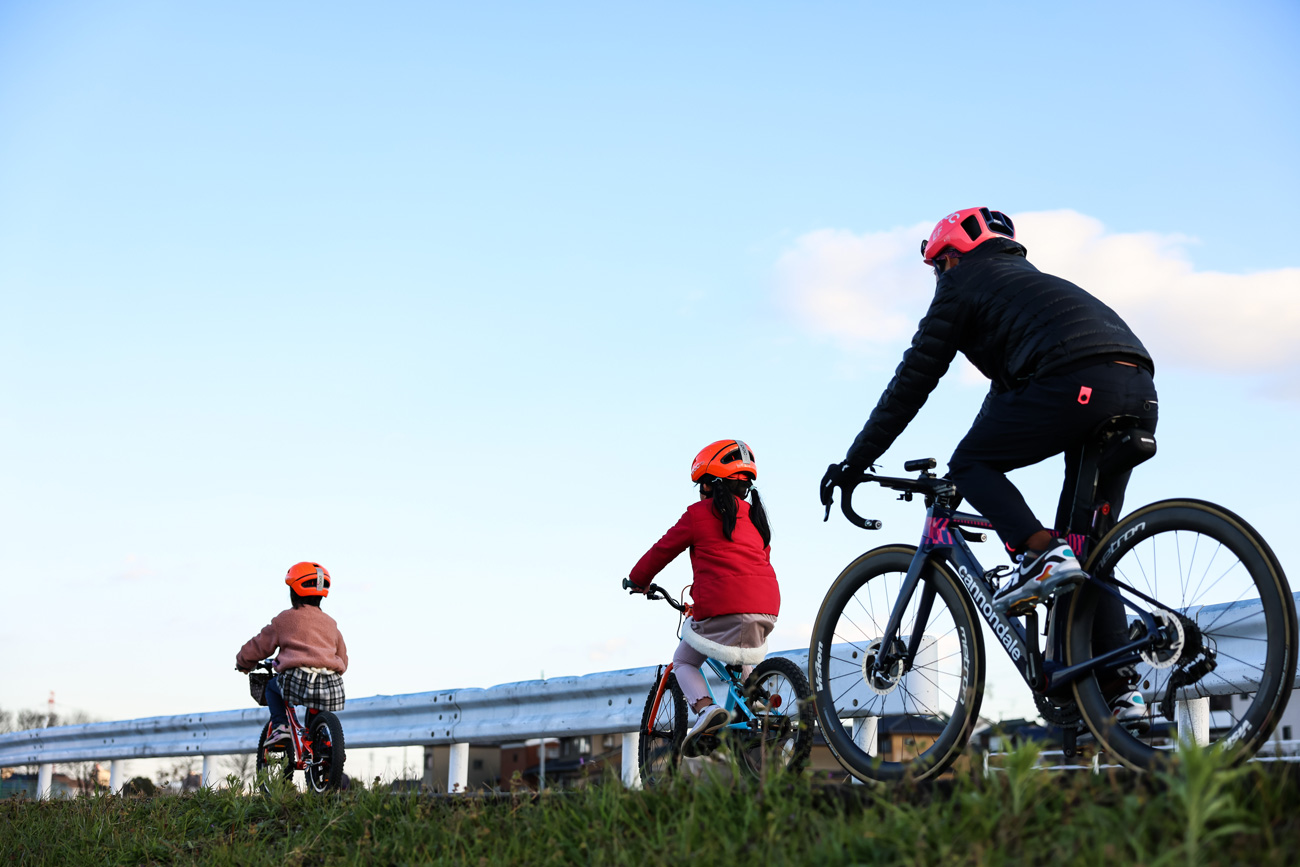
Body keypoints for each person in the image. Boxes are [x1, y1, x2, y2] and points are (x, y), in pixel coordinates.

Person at [821, 207, 1157, 717]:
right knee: (1088, 544)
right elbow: (1003, 398)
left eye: (938, 267)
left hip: (1075, 380)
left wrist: (855, 461)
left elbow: (912, 380)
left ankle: (1039, 553)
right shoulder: (1027, 290)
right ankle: (1116, 689)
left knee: (970, 465)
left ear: (951, 258)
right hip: (1138, 388)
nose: (938, 279)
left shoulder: (962, 284)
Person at [627, 440, 781, 753]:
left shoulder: (698, 515)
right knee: (743, 653)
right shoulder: (756, 518)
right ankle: (756, 706)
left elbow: (663, 549)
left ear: (710, 486)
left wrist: (638, 579)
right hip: (766, 609)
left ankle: (706, 709)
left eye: (701, 486)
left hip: (721, 607)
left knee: (684, 660)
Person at [236, 561, 349, 744]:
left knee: (271, 687)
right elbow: (342, 658)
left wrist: (243, 662)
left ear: (293, 592)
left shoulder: (285, 619)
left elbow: (259, 645)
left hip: (297, 680)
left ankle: (281, 726)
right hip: (332, 685)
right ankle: (323, 742)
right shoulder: (331, 623)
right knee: (317, 709)